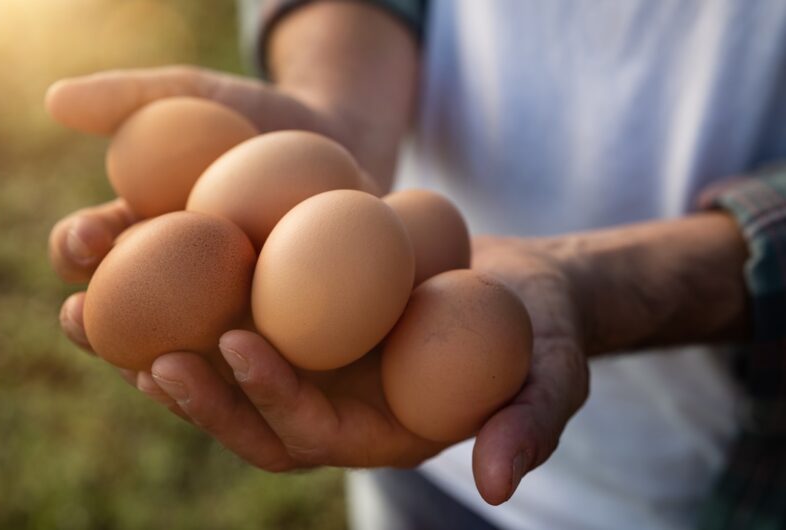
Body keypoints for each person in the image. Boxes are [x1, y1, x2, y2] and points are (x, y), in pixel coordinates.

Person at [46, 1, 786, 528]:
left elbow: (340, 250)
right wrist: (339, 111)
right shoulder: (360, 247)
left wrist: (614, 288)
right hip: (411, 435)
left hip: (696, 476)